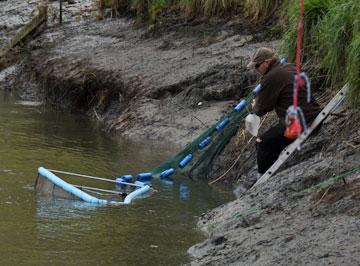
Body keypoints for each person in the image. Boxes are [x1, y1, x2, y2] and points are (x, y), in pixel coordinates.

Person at [246, 47, 321, 176]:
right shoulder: (290, 67)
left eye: (257, 66)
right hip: (313, 113)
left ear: (267, 62)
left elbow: (261, 109)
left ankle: (262, 179)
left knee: (262, 142)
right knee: (273, 139)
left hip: (298, 124)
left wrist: (254, 105)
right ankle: (271, 173)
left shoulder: (271, 77)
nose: (256, 70)